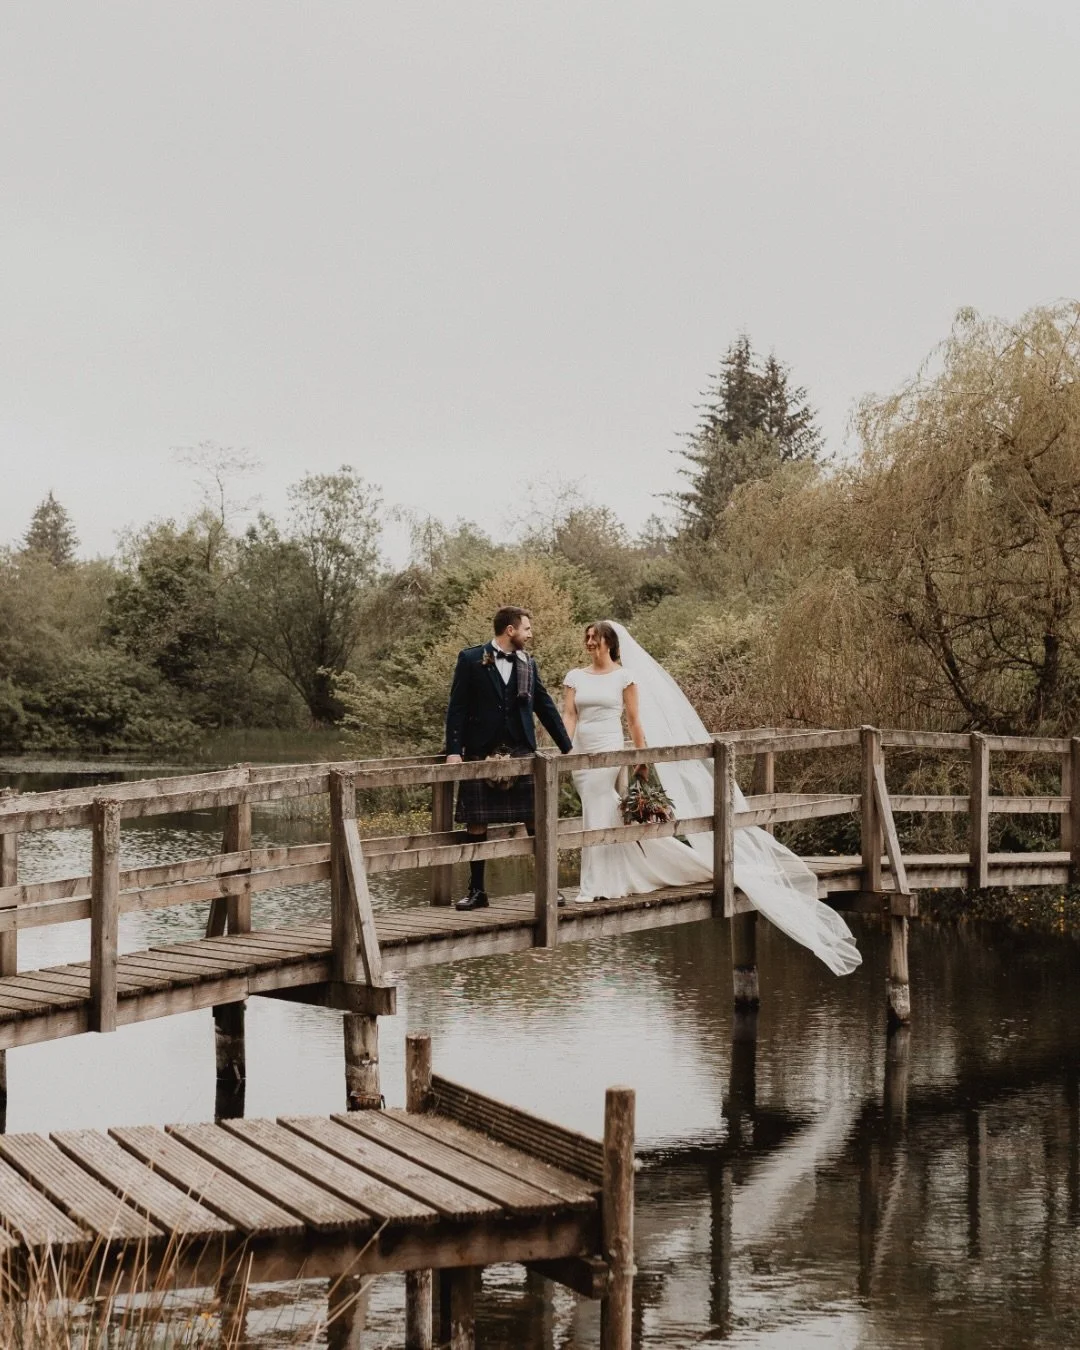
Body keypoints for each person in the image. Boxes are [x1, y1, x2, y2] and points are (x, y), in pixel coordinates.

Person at [563, 620, 862, 977]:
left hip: (610, 747)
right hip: (581, 750)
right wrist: (566, 752)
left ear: (609, 643)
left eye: (594, 638)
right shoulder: (574, 677)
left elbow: (634, 721)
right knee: (596, 809)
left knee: (601, 804)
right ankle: (607, 877)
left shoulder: (624, 677)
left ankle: (596, 884)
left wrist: (641, 758)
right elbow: (569, 714)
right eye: (587, 638)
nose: (589, 642)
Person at [445, 605, 573, 910]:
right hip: (480, 751)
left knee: (535, 819)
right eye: (527, 629)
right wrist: (453, 750)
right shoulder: (471, 659)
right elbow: (457, 708)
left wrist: (567, 747)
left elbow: (544, 706)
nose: (530, 634)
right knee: (476, 822)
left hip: (521, 751)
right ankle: (477, 892)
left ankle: (549, 887)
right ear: (511, 630)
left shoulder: (528, 663)